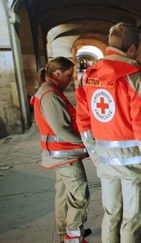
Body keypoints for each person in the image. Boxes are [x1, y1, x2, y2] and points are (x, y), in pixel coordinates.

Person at [75, 22, 141, 243]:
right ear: (132, 48)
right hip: (132, 164)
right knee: (134, 218)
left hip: (104, 162)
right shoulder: (135, 77)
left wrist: (94, 154)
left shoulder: (88, 76)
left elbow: (83, 121)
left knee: (112, 215)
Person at [30, 57, 90, 243]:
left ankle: (65, 232)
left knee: (63, 196)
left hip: (59, 154)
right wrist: (86, 144)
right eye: (68, 74)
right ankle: (73, 235)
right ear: (57, 74)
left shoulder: (50, 91)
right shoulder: (50, 95)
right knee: (80, 195)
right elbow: (61, 130)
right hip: (65, 155)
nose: (70, 78)